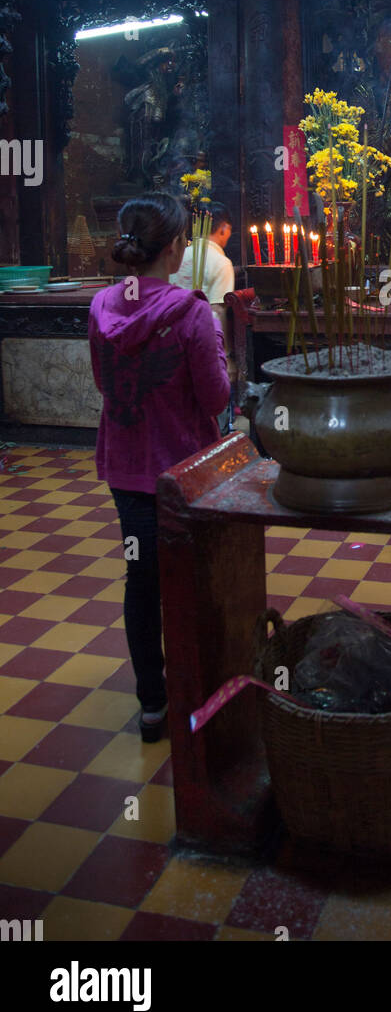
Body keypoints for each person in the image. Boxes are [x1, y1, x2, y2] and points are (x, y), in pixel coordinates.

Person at [89, 193, 230, 741]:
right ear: (175, 248)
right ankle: (200, 692)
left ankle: (153, 705)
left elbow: (106, 386)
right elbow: (216, 399)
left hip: (127, 470)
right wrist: (218, 342)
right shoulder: (191, 312)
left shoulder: (102, 307)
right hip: (186, 471)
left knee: (142, 578)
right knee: (193, 579)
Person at [170, 201, 236, 433]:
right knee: (211, 411)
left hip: (172, 342)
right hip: (204, 343)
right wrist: (226, 356)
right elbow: (217, 310)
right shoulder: (220, 262)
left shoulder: (178, 255)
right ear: (223, 229)